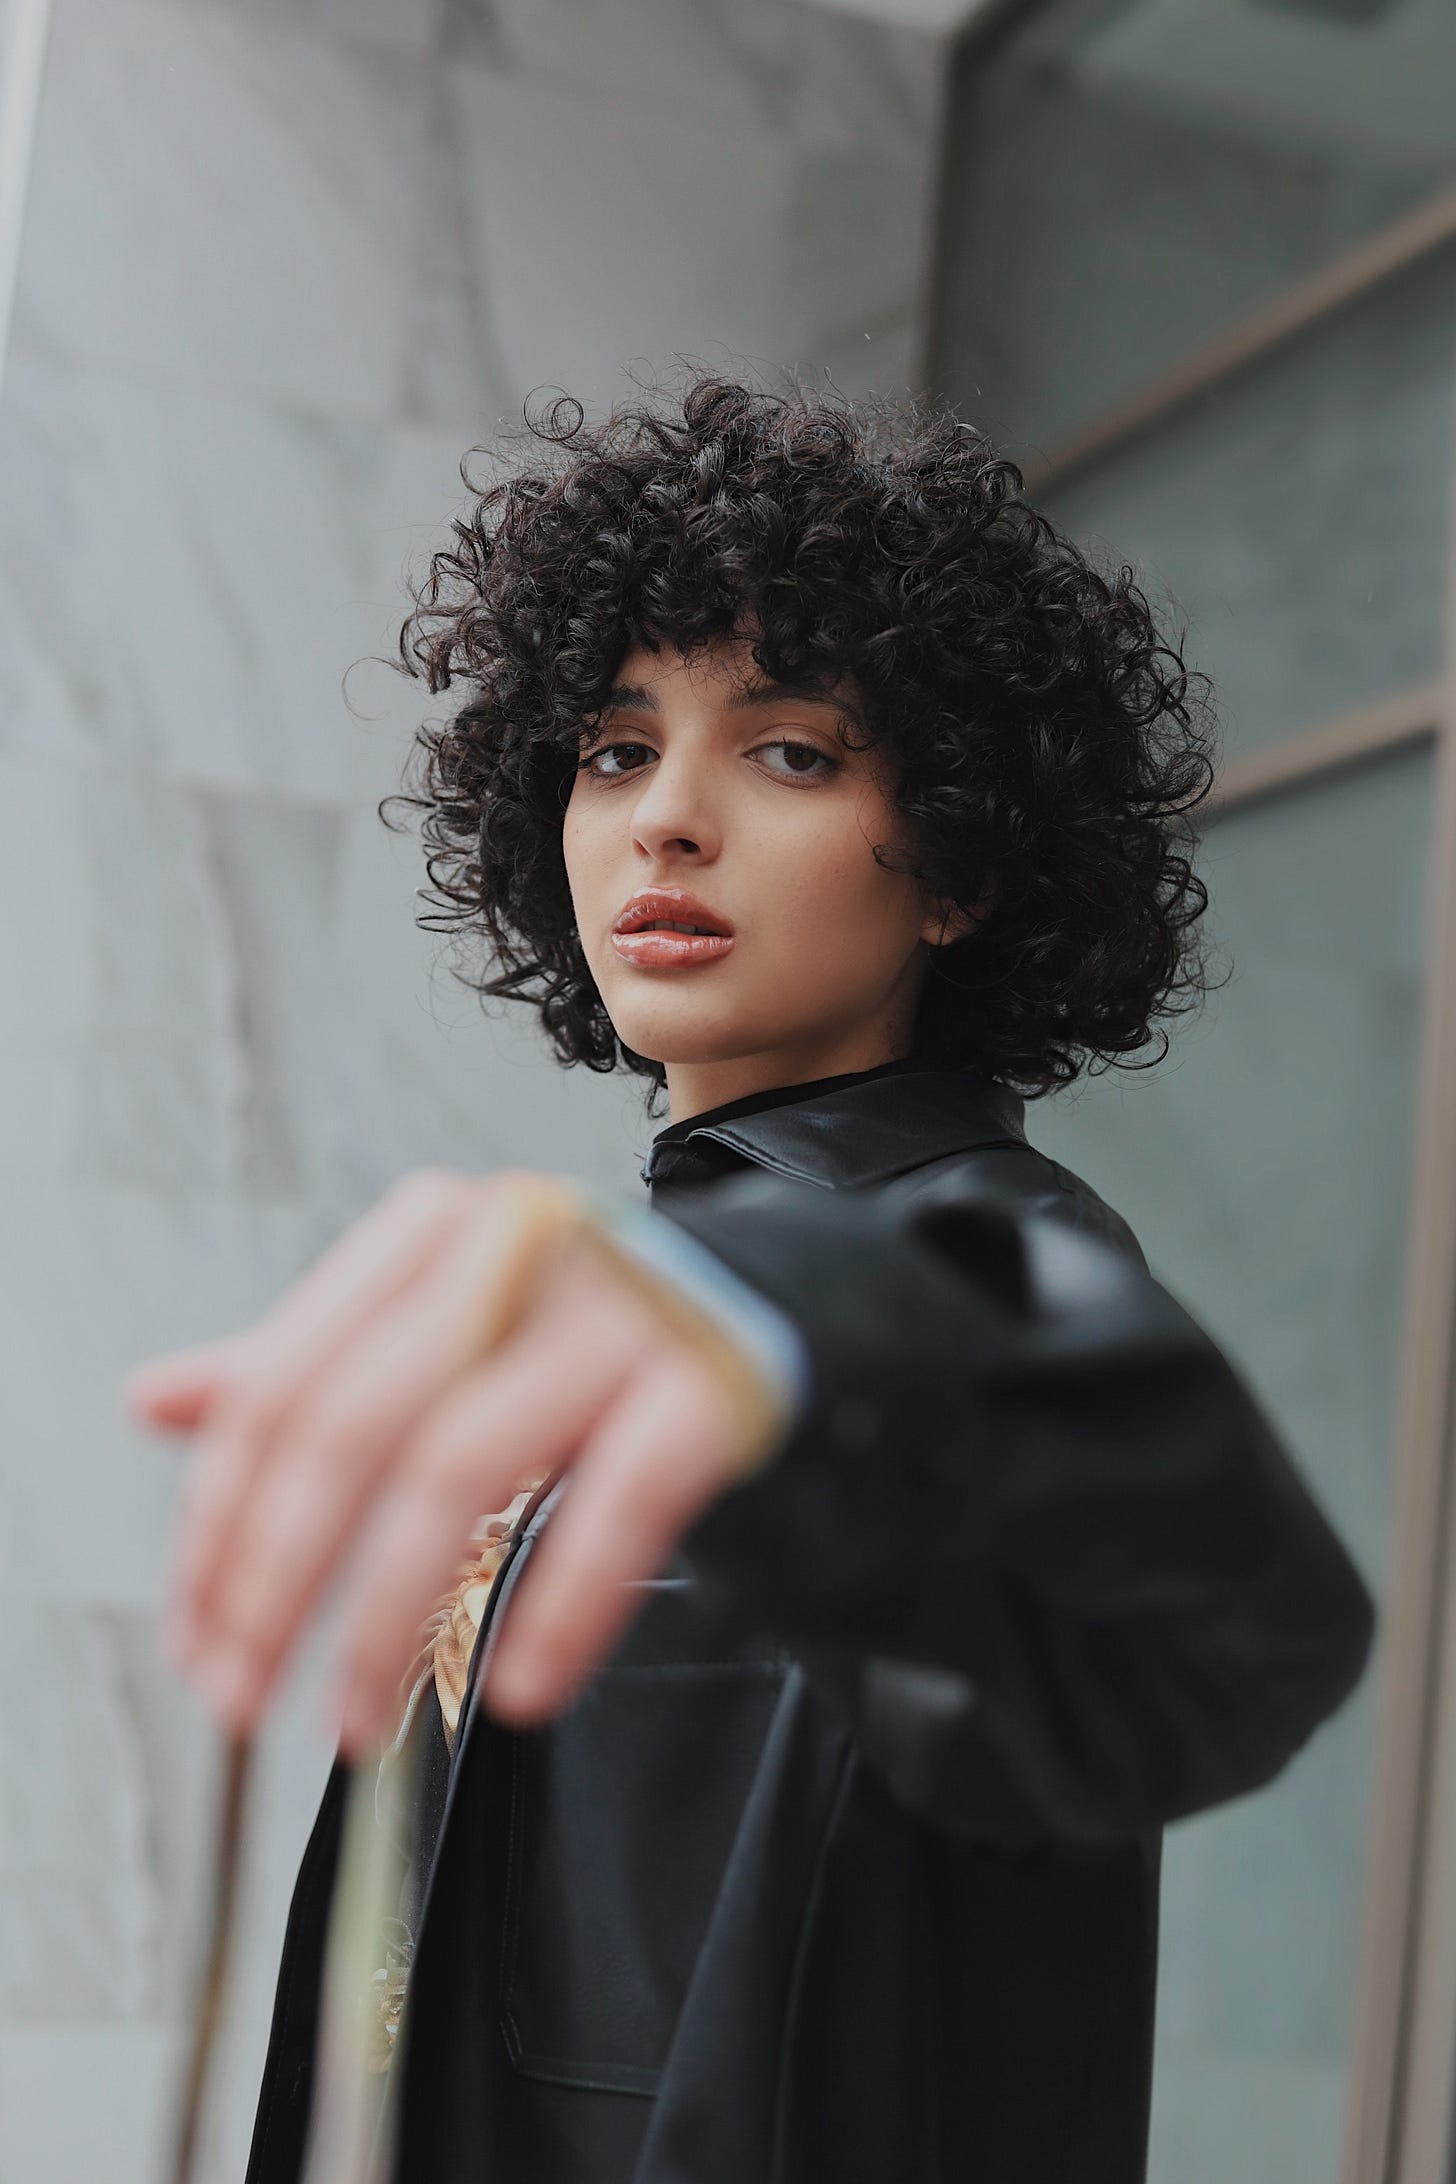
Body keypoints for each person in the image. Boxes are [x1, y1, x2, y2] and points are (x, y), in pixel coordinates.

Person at [124, 371, 1376, 2184]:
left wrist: (798, 1322)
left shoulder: (985, 1272)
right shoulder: (636, 1304)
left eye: (790, 750)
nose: (668, 821)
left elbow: (1227, 1614)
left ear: (953, 863)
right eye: (619, 750)